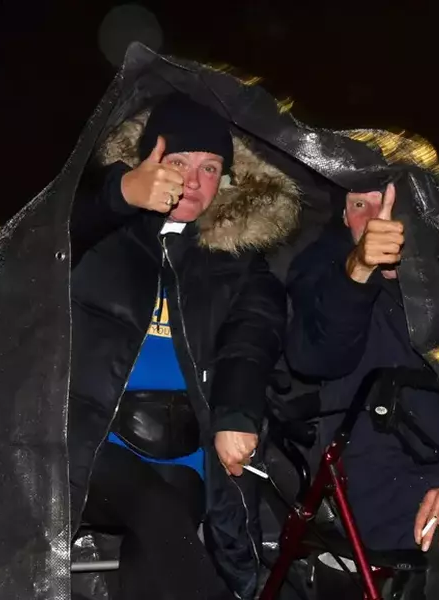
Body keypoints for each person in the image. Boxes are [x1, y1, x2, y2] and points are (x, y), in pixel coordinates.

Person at [68, 92, 300, 600]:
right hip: (88, 441)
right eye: (178, 162)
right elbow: (36, 248)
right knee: (155, 510)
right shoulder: (101, 231)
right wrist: (119, 195)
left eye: (210, 168)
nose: (193, 182)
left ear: (228, 181)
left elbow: (252, 341)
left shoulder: (240, 262)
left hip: (183, 452)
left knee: (163, 537)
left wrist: (236, 414)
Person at [284, 183, 439, 599]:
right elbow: (315, 358)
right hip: (385, 478)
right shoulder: (324, 269)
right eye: (359, 204)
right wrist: (358, 270)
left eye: (387, 203)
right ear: (343, 217)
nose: (377, 218)